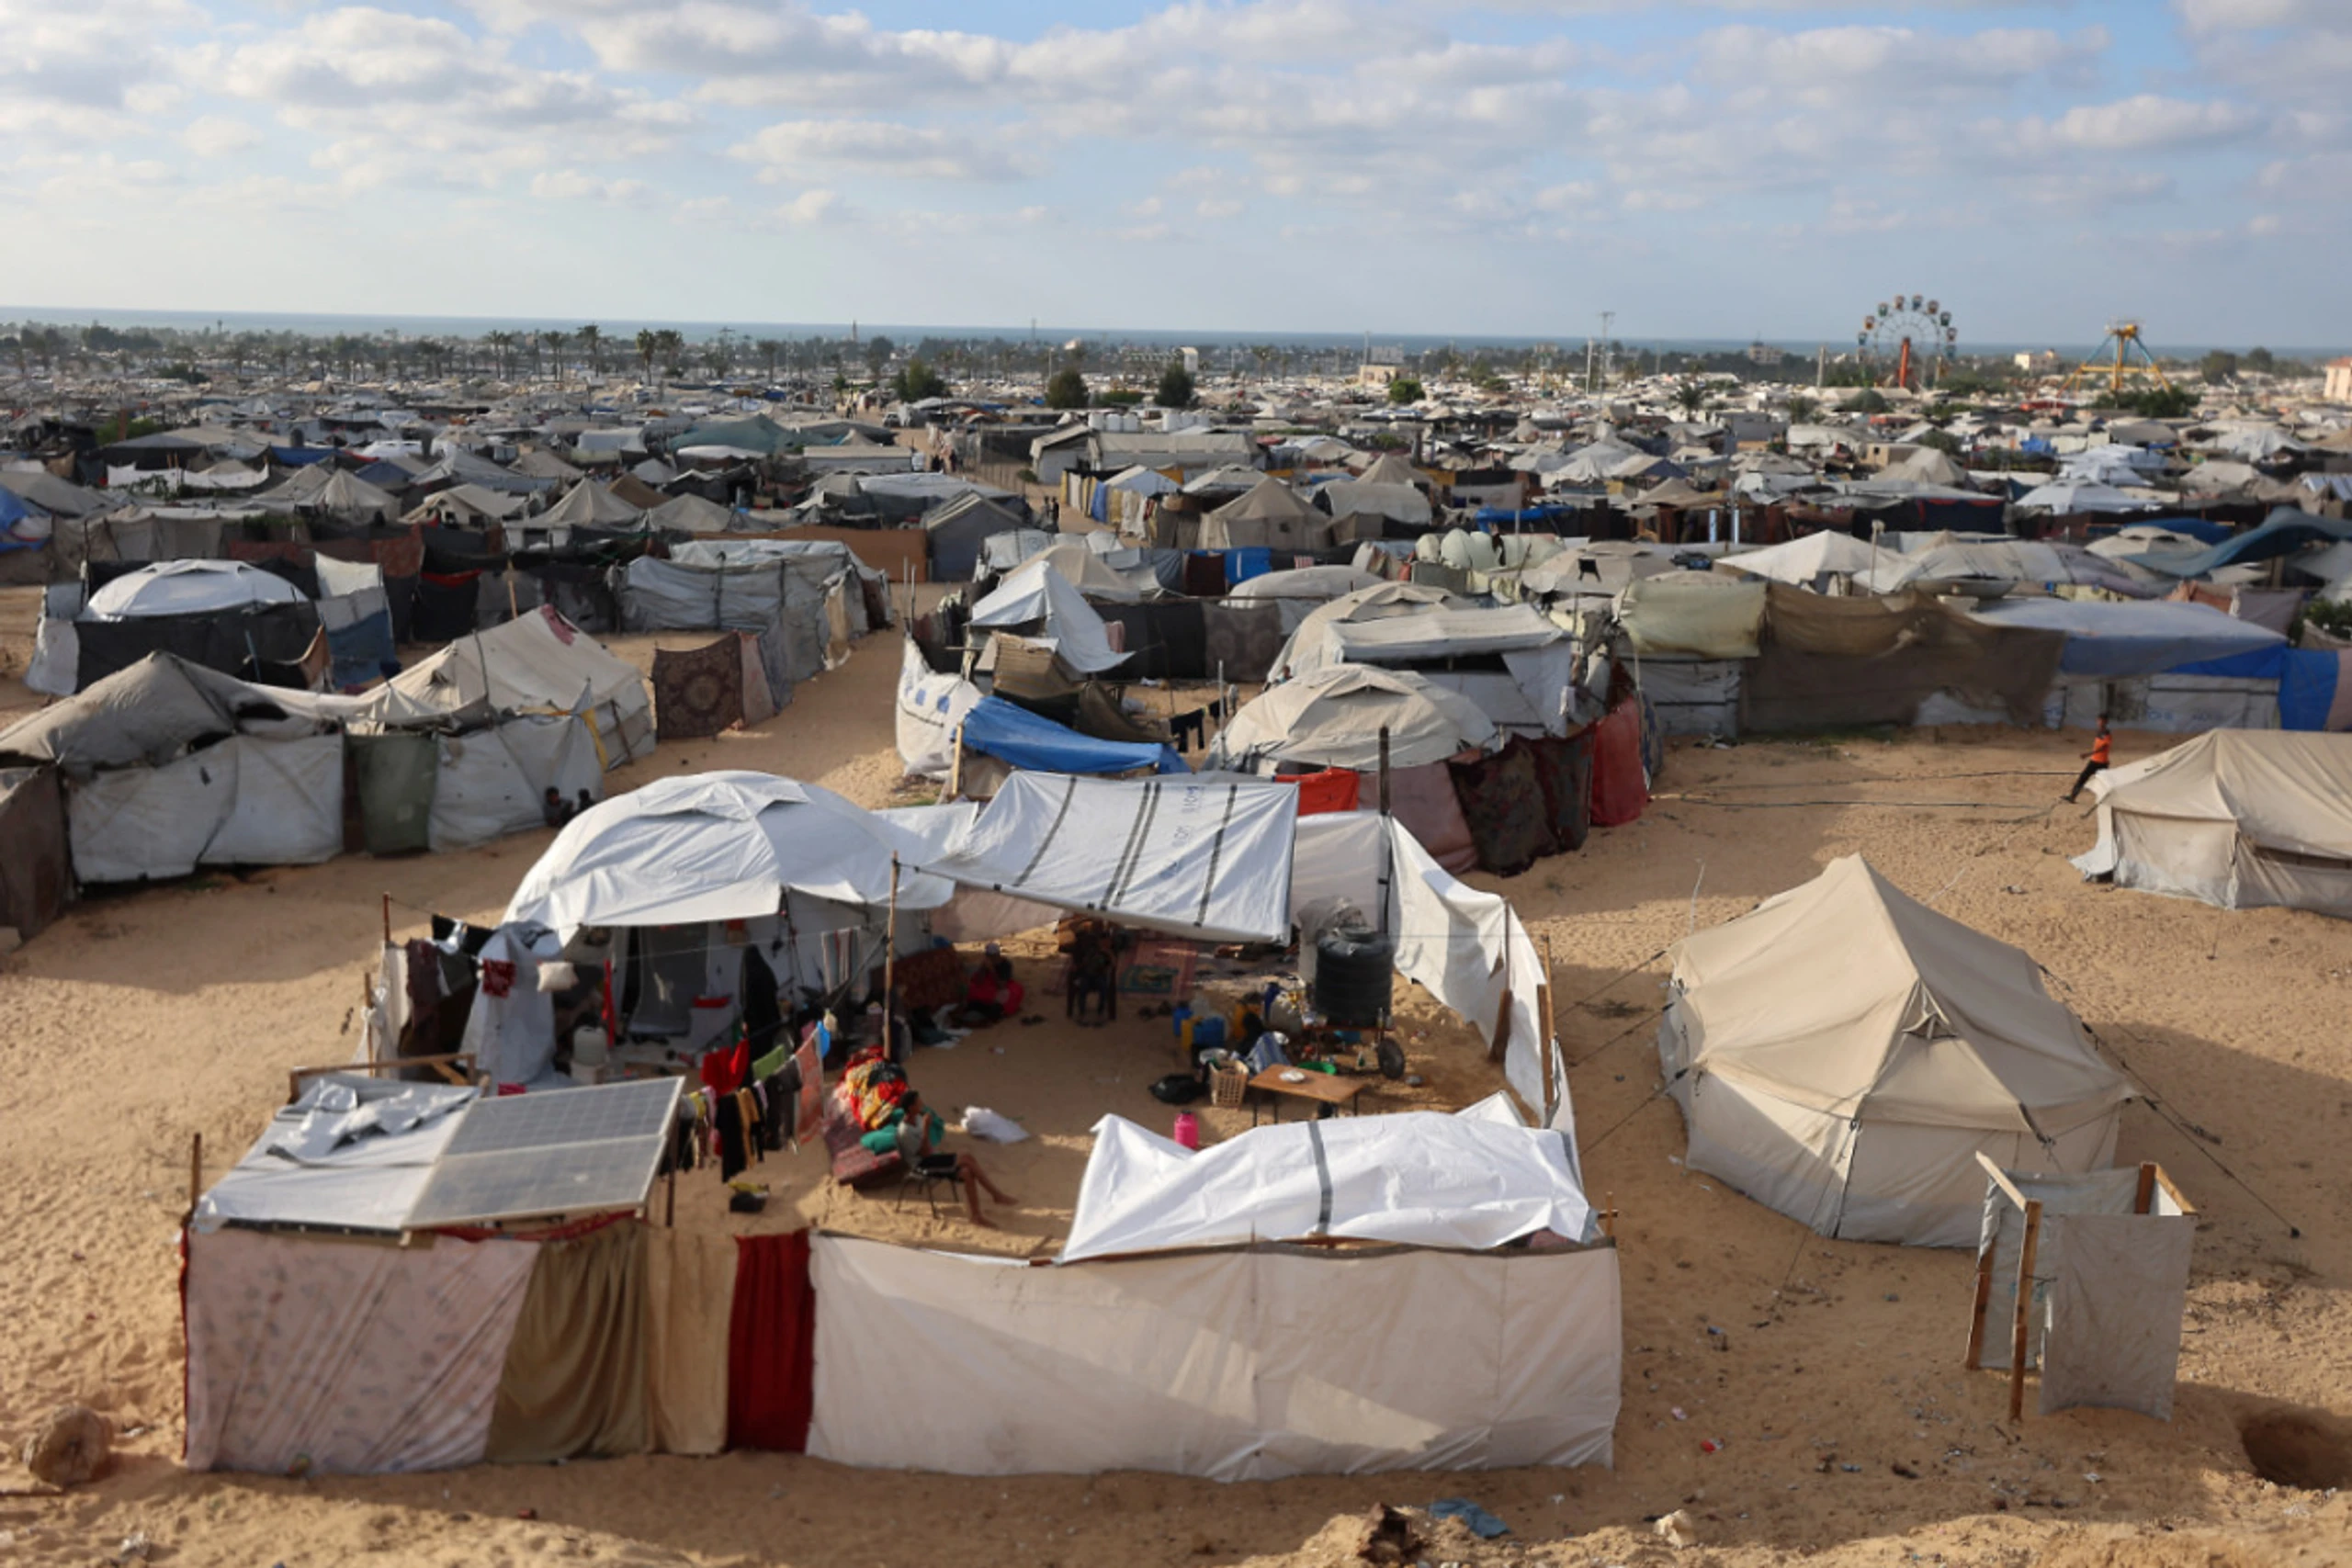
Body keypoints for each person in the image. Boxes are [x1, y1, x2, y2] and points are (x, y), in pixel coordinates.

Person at [868, 1090, 1016, 1226]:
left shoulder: (919, 1119)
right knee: (966, 1157)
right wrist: (926, 1129)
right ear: (911, 1107)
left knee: (966, 1172)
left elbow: (930, 1148)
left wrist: (927, 1129)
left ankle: (976, 1215)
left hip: (931, 1158)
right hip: (923, 1164)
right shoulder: (905, 1131)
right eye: (919, 1103)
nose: (922, 1105)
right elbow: (924, 1154)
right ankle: (997, 1195)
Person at [956, 942, 1023, 1028]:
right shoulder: (985, 964)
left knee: (1002, 1001)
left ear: (998, 954)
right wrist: (983, 969)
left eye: (993, 956)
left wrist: (992, 970)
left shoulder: (1005, 965)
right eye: (989, 956)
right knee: (972, 997)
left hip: (1000, 989)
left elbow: (1001, 986)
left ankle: (989, 1016)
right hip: (988, 989)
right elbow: (978, 981)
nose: (991, 958)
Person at [2065, 716, 2113, 803]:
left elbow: (2103, 748)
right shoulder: (2099, 732)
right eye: (2098, 720)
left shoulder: (2107, 733)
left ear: (2106, 722)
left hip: (2101, 762)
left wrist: (2087, 754)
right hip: (2095, 760)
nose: (2099, 722)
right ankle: (2072, 797)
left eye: (2101, 721)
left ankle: (2106, 800)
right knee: (2083, 778)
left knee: (2103, 782)